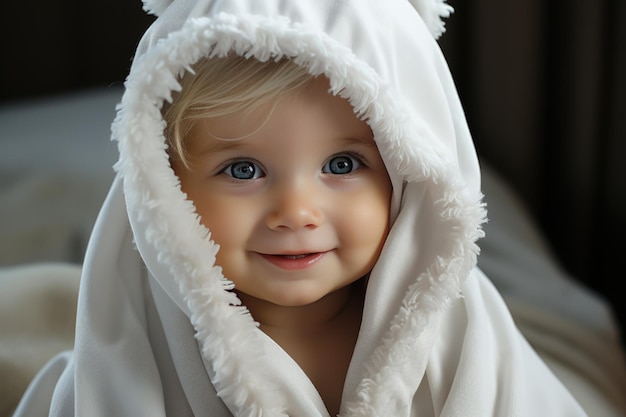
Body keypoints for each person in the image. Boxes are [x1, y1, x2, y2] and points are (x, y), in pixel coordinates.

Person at [12, 0, 626, 416]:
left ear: (411, 178)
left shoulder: (458, 326)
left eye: (342, 165)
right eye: (243, 170)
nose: (296, 211)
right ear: (166, 192)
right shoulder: (138, 338)